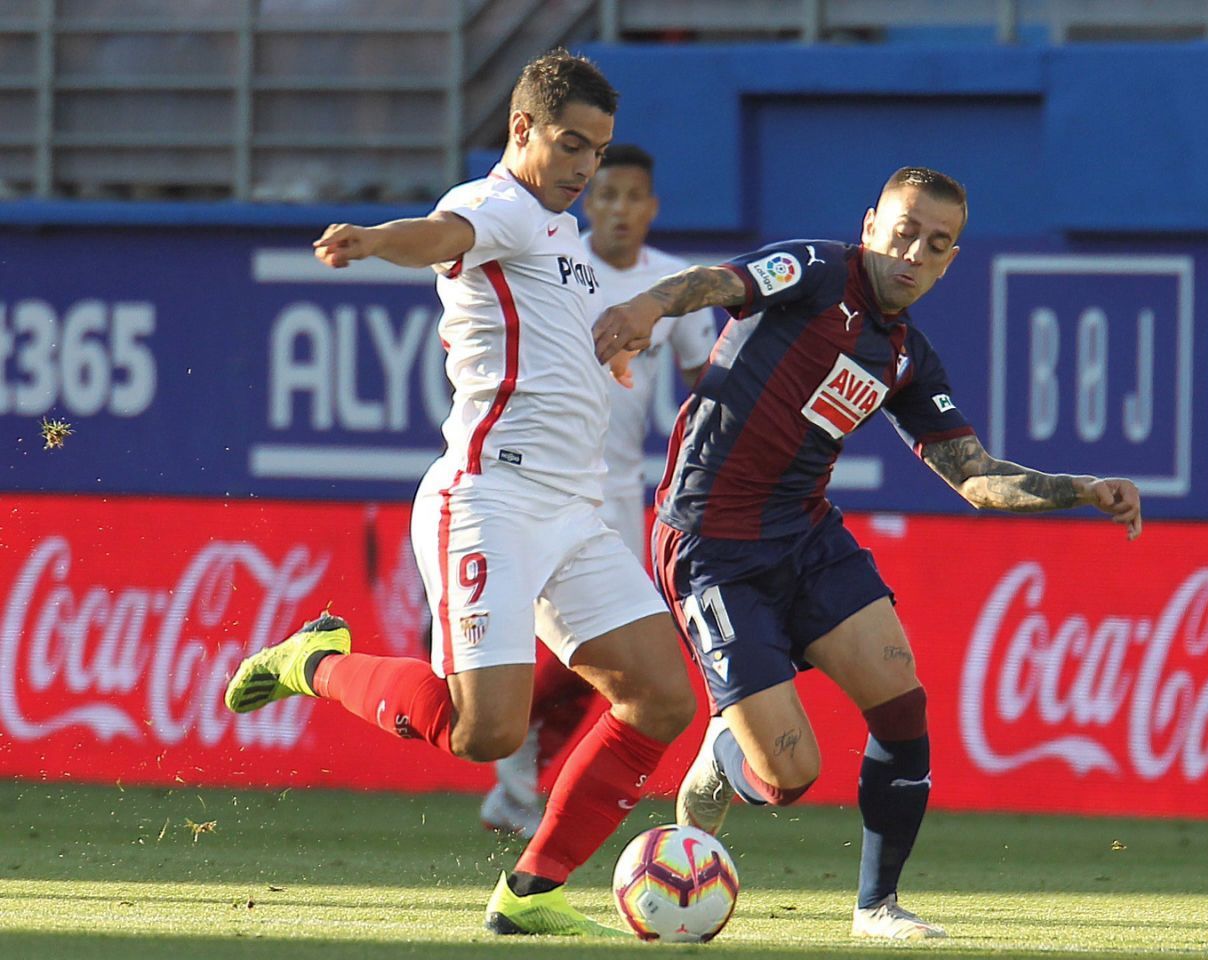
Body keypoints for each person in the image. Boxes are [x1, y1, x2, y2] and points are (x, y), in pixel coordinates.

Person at [593, 166, 1143, 941]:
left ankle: (875, 908)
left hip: (805, 535)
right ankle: (727, 751)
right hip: (711, 542)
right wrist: (645, 307)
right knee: (790, 777)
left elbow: (975, 479)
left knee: (901, 700)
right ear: (870, 223)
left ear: (951, 261)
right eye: (904, 230)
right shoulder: (817, 272)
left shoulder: (907, 358)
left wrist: (1080, 488)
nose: (914, 252)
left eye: (937, 244)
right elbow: (720, 281)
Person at [224, 49, 696, 938]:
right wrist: (372, 242)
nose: (586, 168)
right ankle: (311, 662)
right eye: (570, 145)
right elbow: (440, 234)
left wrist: (609, 356)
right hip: (489, 501)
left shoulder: (562, 235)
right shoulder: (498, 206)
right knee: (484, 733)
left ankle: (532, 892)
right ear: (521, 130)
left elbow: (550, 339)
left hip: (574, 513)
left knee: (662, 699)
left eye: (596, 150)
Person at [480, 144, 717, 838]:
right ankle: (515, 771)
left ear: (651, 207)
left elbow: (705, 379)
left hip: (617, 495)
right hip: (535, 481)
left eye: (631, 197)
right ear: (591, 202)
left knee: (605, 661)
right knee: (568, 658)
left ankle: (521, 784)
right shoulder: (557, 265)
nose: (617, 209)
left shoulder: (673, 284)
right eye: (605, 194)